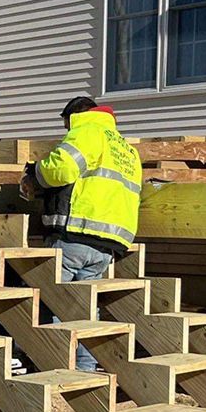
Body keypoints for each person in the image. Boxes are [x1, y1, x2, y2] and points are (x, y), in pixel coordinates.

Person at [21, 95, 142, 372]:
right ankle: (85, 368)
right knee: (85, 309)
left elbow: (62, 168)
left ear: (74, 116)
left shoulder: (87, 131)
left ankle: (55, 366)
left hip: (75, 234)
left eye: (66, 124)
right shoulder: (126, 149)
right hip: (107, 244)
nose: (66, 130)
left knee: (52, 302)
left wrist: (34, 174)